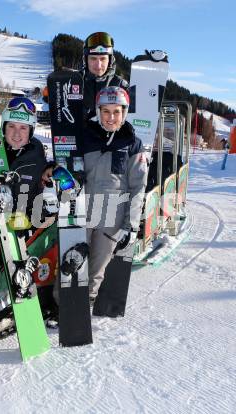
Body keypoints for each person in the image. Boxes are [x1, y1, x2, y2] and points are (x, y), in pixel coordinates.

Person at [81, 86, 148, 302]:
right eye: (106, 111)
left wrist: (131, 225)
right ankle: (60, 307)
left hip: (112, 218)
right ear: (98, 112)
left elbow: (138, 188)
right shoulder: (85, 137)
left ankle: (85, 309)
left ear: (124, 113)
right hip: (83, 211)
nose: (111, 117)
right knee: (71, 261)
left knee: (96, 269)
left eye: (116, 112)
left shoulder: (133, 144)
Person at [0, 97, 47, 221]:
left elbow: (45, 200)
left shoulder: (38, 162)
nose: (16, 134)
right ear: (4, 127)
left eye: (23, 128)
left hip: (22, 235)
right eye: (11, 126)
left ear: (31, 131)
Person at [81, 32, 129, 121]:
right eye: (93, 59)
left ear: (110, 60)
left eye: (103, 59)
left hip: (111, 134)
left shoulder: (121, 86)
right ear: (86, 60)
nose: (98, 65)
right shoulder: (75, 82)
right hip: (79, 134)